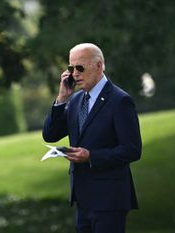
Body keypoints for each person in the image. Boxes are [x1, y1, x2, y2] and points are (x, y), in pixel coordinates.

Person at [42, 43, 142, 233]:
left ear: (98, 65)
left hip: (110, 200)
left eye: (80, 67)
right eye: (71, 68)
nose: (74, 74)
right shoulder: (76, 100)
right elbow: (50, 135)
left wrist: (91, 156)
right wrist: (61, 99)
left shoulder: (120, 101)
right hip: (83, 199)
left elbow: (132, 150)